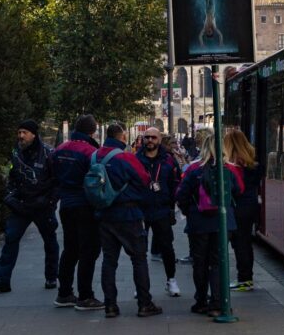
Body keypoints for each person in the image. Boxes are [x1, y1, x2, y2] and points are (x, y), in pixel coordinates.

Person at [95, 123, 162, 318]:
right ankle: (144, 303)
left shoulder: (95, 156)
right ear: (122, 137)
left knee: (109, 261)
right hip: (129, 214)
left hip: (104, 214)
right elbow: (143, 178)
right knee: (139, 259)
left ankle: (110, 306)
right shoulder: (126, 157)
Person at [0, 121, 59, 294]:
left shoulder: (49, 153)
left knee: (50, 241)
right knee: (11, 239)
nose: (20, 136)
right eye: (19, 132)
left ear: (34, 134)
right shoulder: (16, 153)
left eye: (24, 132)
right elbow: (12, 177)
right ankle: (2, 280)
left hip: (42, 206)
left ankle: (51, 276)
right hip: (22, 206)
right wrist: (11, 198)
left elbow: (57, 181)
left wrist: (50, 202)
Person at [176, 133, 242, 316]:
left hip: (199, 223)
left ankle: (201, 301)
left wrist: (190, 211)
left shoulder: (194, 169)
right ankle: (218, 303)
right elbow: (238, 191)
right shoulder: (229, 169)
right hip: (223, 223)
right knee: (218, 262)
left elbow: (181, 194)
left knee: (200, 263)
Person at [48, 114, 104, 310]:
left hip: (66, 204)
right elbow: (96, 179)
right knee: (89, 250)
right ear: (92, 131)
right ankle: (85, 295)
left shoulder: (60, 149)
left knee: (70, 249)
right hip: (85, 204)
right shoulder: (91, 152)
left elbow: (52, 175)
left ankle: (64, 293)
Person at [136, 127, 181, 298]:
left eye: (153, 137)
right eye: (146, 137)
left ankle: (171, 280)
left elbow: (177, 180)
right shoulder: (136, 159)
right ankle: (141, 285)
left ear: (159, 140)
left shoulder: (168, 160)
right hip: (141, 210)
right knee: (140, 249)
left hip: (162, 209)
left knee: (167, 248)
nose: (149, 140)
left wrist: (172, 200)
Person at [225, 128, 261, 292]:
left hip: (238, 206)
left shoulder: (233, 166)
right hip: (251, 205)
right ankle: (246, 278)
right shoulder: (253, 164)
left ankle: (244, 279)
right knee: (245, 242)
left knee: (239, 243)